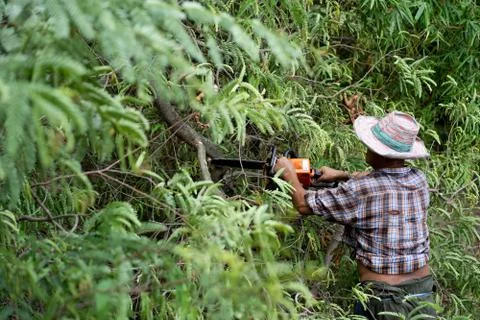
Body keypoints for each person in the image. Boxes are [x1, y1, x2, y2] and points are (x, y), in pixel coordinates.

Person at [274, 111, 437, 319]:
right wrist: (343, 175)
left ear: (380, 151)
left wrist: (288, 172)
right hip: (423, 294)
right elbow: (382, 181)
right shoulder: (418, 179)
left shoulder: (362, 189)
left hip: (383, 300)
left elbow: (304, 204)